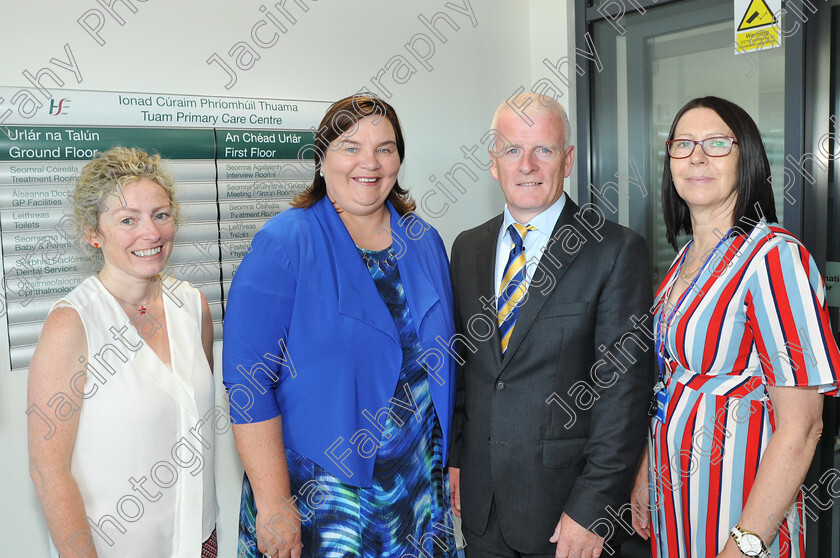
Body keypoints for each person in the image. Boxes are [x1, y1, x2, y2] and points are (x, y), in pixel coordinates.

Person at [222, 94, 458, 558]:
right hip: (321, 502)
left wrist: (453, 464)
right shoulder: (284, 243)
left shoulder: (424, 241)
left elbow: (446, 367)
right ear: (322, 157)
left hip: (418, 496)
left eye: (385, 148)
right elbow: (247, 383)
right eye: (350, 146)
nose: (368, 162)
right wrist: (272, 503)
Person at [630, 96, 840, 558]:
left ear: (747, 158)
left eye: (717, 143)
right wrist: (649, 469)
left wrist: (745, 544)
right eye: (682, 145)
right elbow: (671, 379)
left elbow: (803, 427)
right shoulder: (683, 261)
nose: (697, 157)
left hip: (739, 515)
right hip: (677, 504)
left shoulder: (775, 258)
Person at [448, 92, 654, 558]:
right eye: (511, 150)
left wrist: (593, 507)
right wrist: (459, 459)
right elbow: (468, 370)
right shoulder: (467, 248)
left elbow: (624, 394)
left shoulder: (615, 250)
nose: (527, 165)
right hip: (483, 507)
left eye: (543, 149)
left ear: (567, 160)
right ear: (493, 162)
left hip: (567, 514)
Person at [27, 147, 218, 557]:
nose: (151, 233)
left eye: (161, 215)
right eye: (127, 220)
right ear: (92, 233)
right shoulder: (72, 324)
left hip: (199, 540)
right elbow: (48, 472)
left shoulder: (192, 306)